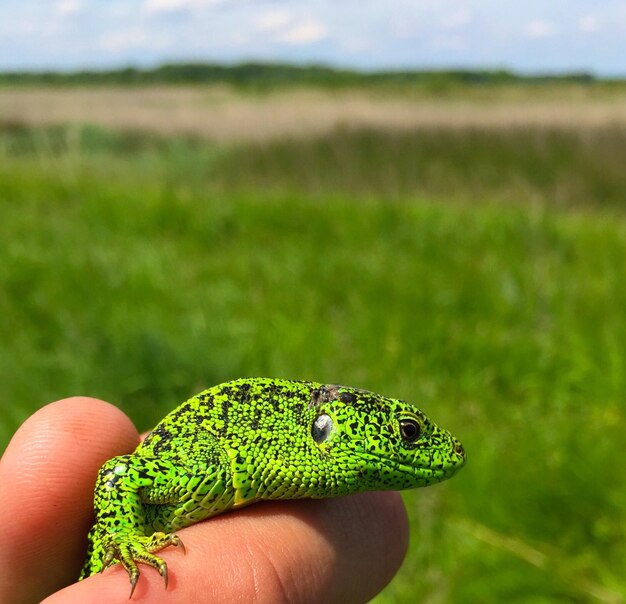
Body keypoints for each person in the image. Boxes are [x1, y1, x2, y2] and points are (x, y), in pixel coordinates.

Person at [0, 397, 409, 603]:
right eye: (408, 433)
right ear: (327, 427)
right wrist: (124, 535)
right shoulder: (206, 464)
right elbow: (118, 475)